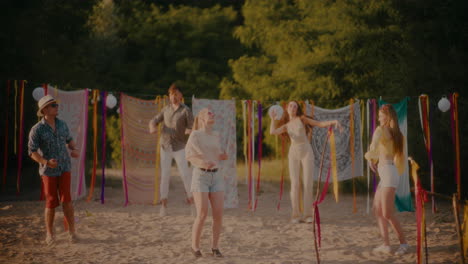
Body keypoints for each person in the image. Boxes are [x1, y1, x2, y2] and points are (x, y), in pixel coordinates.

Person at [269, 101, 342, 224]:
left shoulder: (302, 119)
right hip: (293, 153)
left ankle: (308, 215)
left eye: (295, 106)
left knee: (307, 184)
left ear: (297, 109)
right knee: (295, 184)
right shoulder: (286, 125)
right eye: (291, 106)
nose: (293, 108)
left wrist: (334, 122)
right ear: (287, 108)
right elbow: (272, 132)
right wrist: (272, 119)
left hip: (306, 151)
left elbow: (319, 124)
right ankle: (296, 215)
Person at [28, 95, 80, 246]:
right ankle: (50, 234)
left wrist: (74, 149)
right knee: (51, 202)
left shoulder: (62, 124)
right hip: (48, 171)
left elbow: (69, 140)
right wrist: (45, 162)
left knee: (67, 200)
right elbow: (32, 152)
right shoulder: (36, 129)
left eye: (56, 104)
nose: (56, 107)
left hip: (65, 167)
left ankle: (72, 232)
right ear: (44, 110)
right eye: (53, 105)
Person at [365, 104, 409, 255]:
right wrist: (373, 158)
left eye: (380, 115)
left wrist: (370, 158)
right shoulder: (397, 134)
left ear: (387, 116)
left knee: (387, 213)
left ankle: (403, 243)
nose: (378, 118)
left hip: (388, 174)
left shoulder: (381, 130)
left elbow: (374, 144)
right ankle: (386, 244)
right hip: (388, 173)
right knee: (377, 209)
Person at [185, 108, 228, 258]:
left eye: (212, 112)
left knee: (218, 214)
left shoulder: (216, 135)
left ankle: (215, 247)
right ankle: (195, 247)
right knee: (202, 214)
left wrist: (222, 156)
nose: (212, 113)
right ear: (202, 118)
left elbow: (216, 154)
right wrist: (203, 162)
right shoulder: (195, 135)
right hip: (200, 176)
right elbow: (189, 156)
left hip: (216, 176)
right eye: (209, 112)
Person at [149, 83, 194, 216]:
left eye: (175, 94)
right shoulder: (165, 109)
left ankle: (192, 204)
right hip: (165, 146)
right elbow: (154, 121)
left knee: (186, 175)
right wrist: (152, 127)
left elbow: (193, 127)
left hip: (180, 147)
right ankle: (163, 206)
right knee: (165, 176)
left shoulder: (186, 110)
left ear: (180, 95)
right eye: (170, 94)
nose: (172, 97)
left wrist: (188, 131)